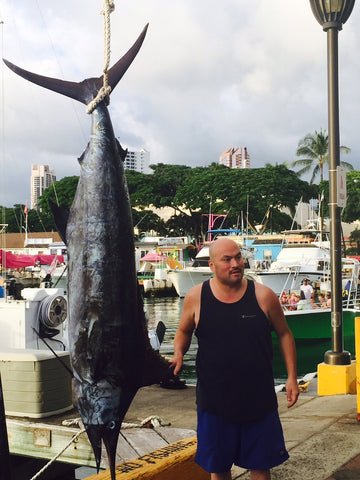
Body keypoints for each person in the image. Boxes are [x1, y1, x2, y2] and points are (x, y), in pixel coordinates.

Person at [170, 238, 299, 480]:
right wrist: (178, 353)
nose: (235, 264)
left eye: (238, 257)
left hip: (258, 401)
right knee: (219, 469)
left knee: (260, 468)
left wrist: (292, 377)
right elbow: (184, 330)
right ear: (212, 265)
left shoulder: (263, 296)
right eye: (227, 259)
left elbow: (284, 334)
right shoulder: (197, 297)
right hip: (214, 403)